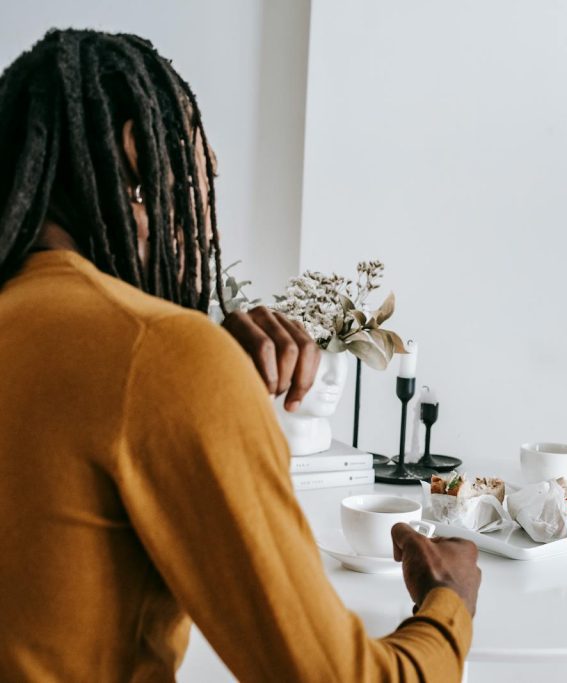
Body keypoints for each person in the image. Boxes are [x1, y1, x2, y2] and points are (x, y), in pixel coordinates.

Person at [0, 28, 481, 681]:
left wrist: (202, 364)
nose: (207, 216)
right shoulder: (158, 357)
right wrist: (446, 603)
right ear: (139, 157)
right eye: (204, 175)